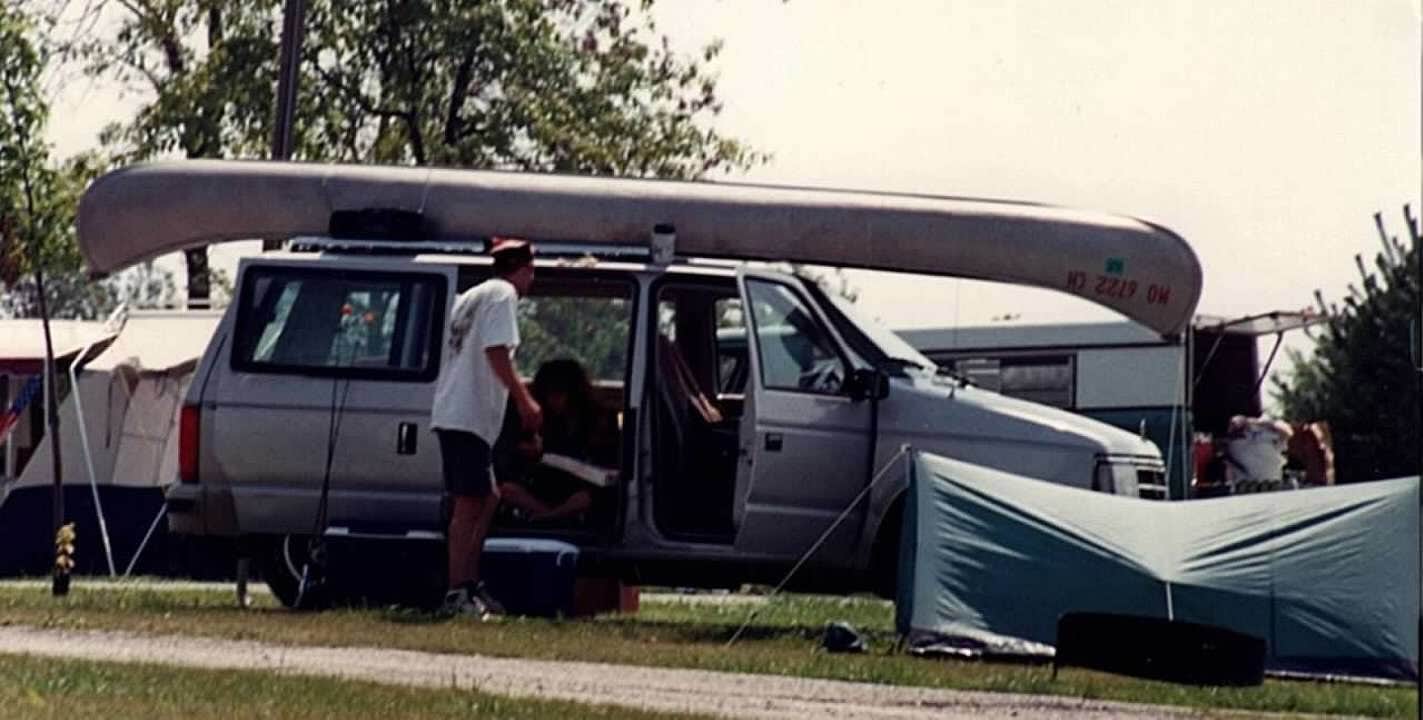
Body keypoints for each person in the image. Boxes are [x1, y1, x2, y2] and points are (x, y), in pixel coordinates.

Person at [430, 238, 540, 618]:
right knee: (469, 504)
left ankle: (471, 584)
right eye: (531, 272)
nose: (531, 281)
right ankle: (456, 591)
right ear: (523, 269)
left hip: (461, 414)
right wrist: (525, 400)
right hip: (468, 415)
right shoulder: (504, 295)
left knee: (488, 497)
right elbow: (496, 352)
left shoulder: (473, 294)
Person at [495, 359, 618, 521]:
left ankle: (550, 517)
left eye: (559, 394)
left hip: (579, 486)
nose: (554, 400)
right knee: (507, 490)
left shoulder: (597, 419)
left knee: (586, 498)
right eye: (549, 394)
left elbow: (604, 463)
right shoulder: (537, 418)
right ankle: (550, 516)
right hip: (543, 485)